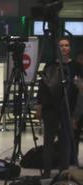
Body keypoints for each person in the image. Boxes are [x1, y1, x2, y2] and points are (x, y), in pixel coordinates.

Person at [35, 37, 82, 176]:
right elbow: (42, 87)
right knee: (48, 141)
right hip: (51, 109)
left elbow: (80, 91)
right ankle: (47, 170)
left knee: (65, 142)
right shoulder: (49, 66)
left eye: (67, 45)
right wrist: (39, 106)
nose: (64, 48)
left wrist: (76, 115)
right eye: (61, 45)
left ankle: (64, 171)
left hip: (68, 109)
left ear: (70, 48)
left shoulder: (76, 67)